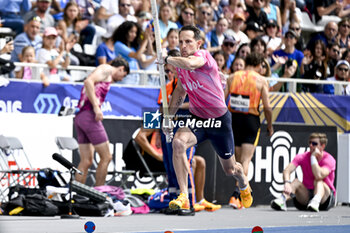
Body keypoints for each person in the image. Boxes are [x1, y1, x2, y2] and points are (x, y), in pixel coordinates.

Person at [161, 25, 253, 211]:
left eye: (188, 41)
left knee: (230, 170)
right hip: (198, 119)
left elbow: (190, 64)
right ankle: (184, 195)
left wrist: (166, 58)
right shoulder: (181, 69)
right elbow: (179, 92)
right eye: (180, 42)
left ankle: (243, 182)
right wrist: (168, 118)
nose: (183, 45)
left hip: (219, 121)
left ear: (198, 43)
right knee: (178, 143)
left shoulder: (203, 57)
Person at [159, 49, 222, 213]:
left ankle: (191, 202)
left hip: (189, 126)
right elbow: (162, 108)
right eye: (168, 68)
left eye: (172, 67)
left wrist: (178, 106)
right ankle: (174, 200)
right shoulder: (167, 86)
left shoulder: (192, 81)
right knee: (171, 165)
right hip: (171, 126)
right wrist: (167, 119)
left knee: (186, 161)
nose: (171, 71)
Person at [225, 52, 273, 209]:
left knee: (237, 160)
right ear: (259, 65)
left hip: (233, 119)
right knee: (245, 160)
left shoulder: (233, 77)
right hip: (250, 120)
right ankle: (237, 194)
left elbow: (222, 100)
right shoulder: (261, 80)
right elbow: (267, 107)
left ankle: (237, 196)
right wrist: (270, 126)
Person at [74, 58, 130, 186]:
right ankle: (99, 193)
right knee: (106, 157)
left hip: (81, 116)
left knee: (86, 161)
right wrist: (96, 107)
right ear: (121, 68)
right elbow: (88, 81)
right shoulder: (107, 69)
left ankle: (77, 195)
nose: (121, 79)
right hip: (89, 115)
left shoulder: (105, 72)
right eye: (123, 75)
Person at [271, 133, 336, 212]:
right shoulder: (302, 156)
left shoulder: (329, 159)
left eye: (314, 144)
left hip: (325, 199)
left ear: (322, 146)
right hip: (306, 196)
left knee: (318, 181)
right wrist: (287, 183)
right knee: (296, 182)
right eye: (310, 143)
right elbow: (287, 171)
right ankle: (283, 199)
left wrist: (313, 158)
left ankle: (315, 201)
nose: (311, 145)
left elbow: (318, 175)